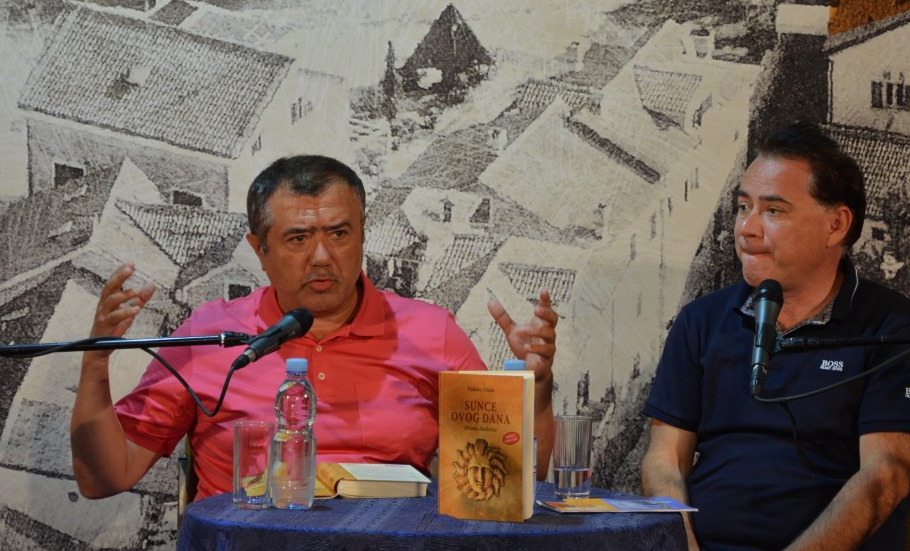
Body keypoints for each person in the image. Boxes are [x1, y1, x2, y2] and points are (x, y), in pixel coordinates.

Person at [71, 155, 557, 501]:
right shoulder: (213, 335)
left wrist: (535, 391)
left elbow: (508, 484)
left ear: (362, 236)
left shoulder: (432, 332)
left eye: (339, 234)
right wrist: (95, 363)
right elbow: (105, 478)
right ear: (260, 250)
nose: (322, 256)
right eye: (298, 238)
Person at [640, 122, 910, 551]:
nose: (746, 228)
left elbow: (884, 479)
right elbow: (664, 459)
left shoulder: (893, 328)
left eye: (773, 211)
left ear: (836, 225)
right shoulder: (701, 321)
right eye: (743, 207)